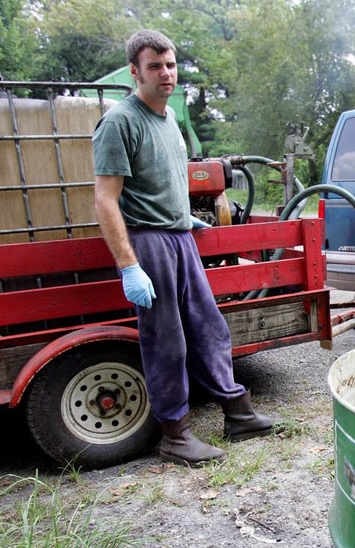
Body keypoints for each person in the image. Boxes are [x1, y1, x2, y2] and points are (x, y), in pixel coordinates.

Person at [92, 30, 274, 468]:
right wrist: (129, 266)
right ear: (135, 72)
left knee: (209, 328)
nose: (165, 73)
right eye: (154, 66)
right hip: (150, 245)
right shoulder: (120, 122)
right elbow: (105, 199)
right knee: (167, 343)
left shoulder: (169, 119)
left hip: (180, 239)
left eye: (170, 64)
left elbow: (165, 179)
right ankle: (176, 436)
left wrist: (183, 216)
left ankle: (237, 413)